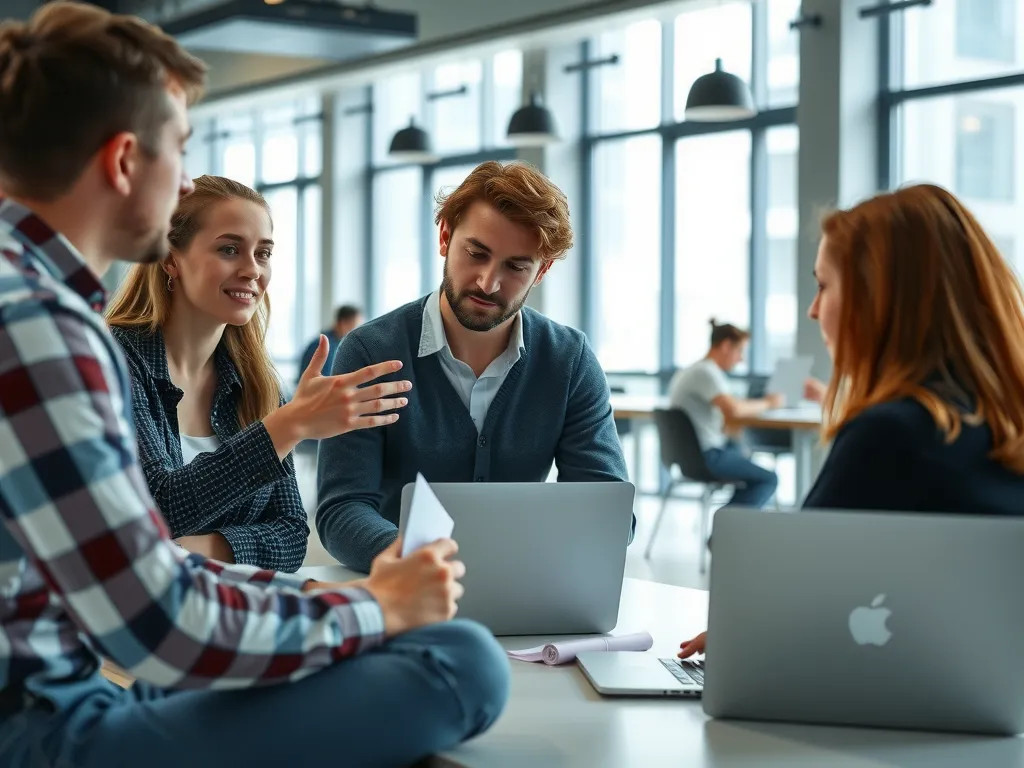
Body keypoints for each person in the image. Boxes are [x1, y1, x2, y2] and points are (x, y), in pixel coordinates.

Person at [0, 5, 508, 766]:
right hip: (45, 726)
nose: (179, 188)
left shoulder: (36, 305)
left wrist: (328, 602)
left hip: (75, 681)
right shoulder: (41, 328)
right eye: (180, 149)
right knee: (462, 663)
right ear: (125, 161)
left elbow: (231, 549)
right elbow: (156, 622)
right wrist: (373, 605)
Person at [679, 183, 1024, 660]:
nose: (813, 309)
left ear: (878, 297)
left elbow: (801, 611)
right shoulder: (1004, 423)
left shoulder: (891, 434)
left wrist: (744, 631)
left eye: (823, 285)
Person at [317, 160, 630, 572]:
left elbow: (607, 511)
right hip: (404, 589)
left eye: (516, 266)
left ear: (542, 271)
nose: (488, 282)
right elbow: (342, 508)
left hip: (526, 587)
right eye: (477, 253)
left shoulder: (569, 359)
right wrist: (417, 561)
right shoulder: (370, 352)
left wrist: (526, 563)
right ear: (445, 235)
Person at [106, 178, 401, 572]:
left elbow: (293, 535)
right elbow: (158, 508)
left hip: (233, 608)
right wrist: (287, 425)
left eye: (263, 254)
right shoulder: (115, 359)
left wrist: (197, 551)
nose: (252, 270)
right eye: (229, 249)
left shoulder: (255, 380)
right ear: (170, 258)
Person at [667, 321, 781, 508]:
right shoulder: (706, 372)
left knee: (743, 452)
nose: (741, 360)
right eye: (740, 351)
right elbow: (734, 409)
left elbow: (730, 410)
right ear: (726, 346)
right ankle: (726, 530)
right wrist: (769, 403)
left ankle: (734, 527)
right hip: (706, 457)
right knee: (768, 479)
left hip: (691, 456)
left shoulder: (695, 370)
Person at [297, 304, 363, 383]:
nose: (358, 331)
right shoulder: (324, 346)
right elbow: (327, 380)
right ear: (343, 323)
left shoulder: (336, 343)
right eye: (355, 326)